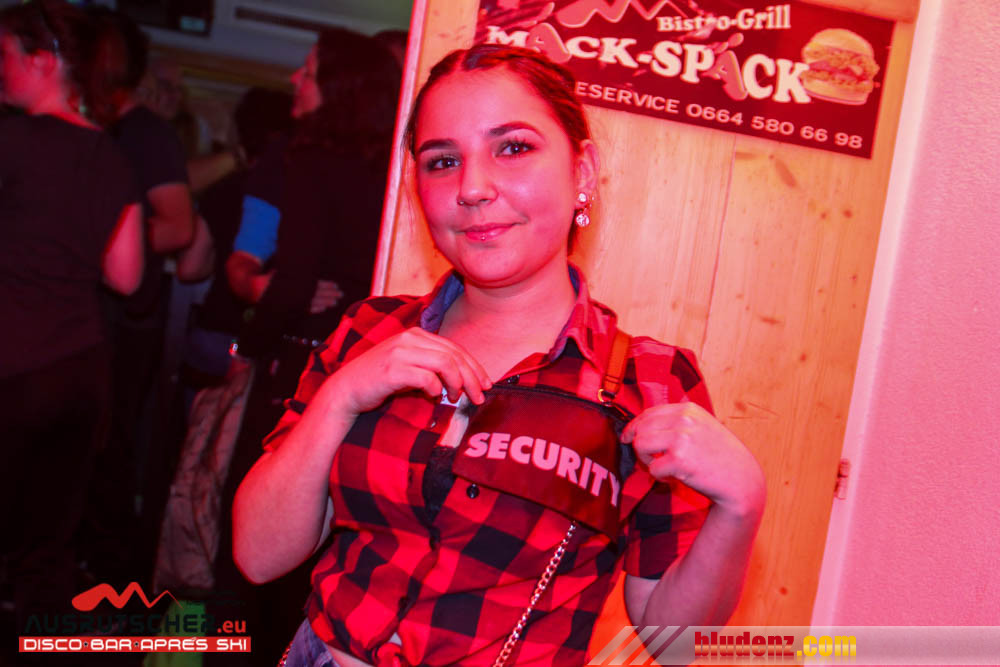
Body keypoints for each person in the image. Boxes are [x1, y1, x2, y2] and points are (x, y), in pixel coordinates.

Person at [233, 45, 766, 666]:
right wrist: (341, 397)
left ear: (583, 172)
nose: (472, 188)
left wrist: (741, 505)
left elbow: (671, 641)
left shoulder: (648, 385)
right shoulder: (369, 331)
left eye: (512, 148)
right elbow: (257, 554)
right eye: (442, 161)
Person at [0, 0, 142, 645]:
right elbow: (126, 276)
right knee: (46, 548)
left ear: (43, 60)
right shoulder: (111, 155)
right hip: (77, 373)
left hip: (10, 360)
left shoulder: (10, 142)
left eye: (5, 55)